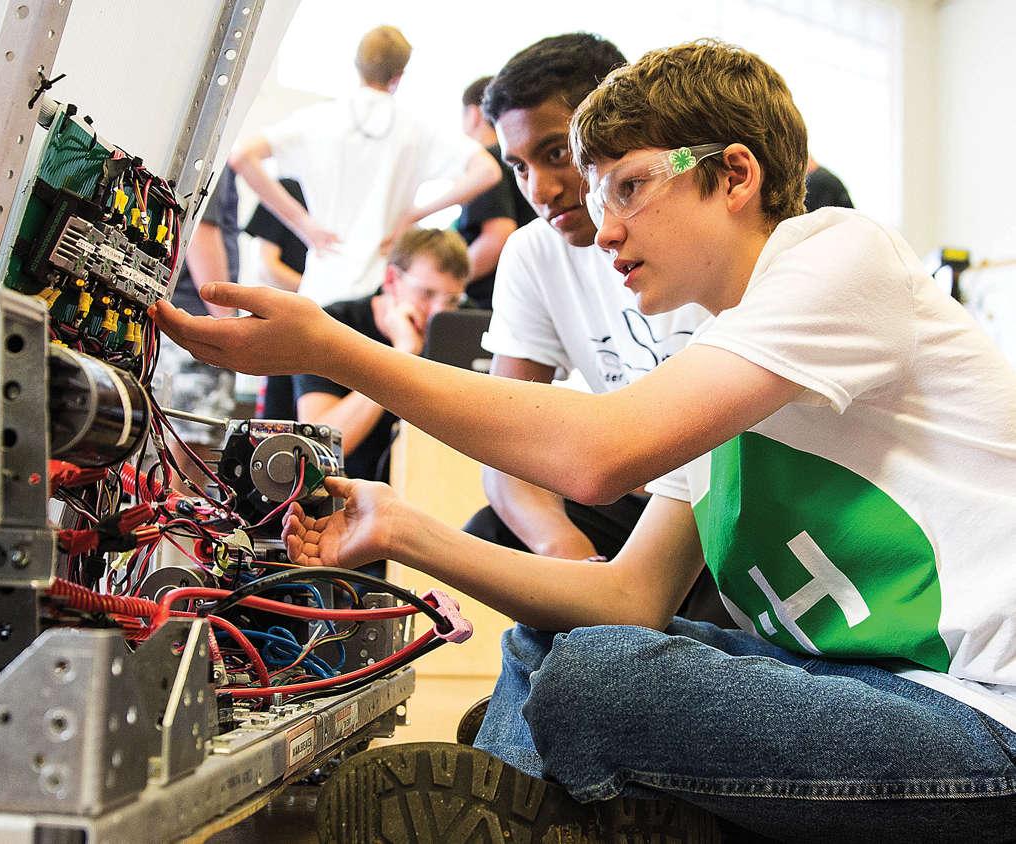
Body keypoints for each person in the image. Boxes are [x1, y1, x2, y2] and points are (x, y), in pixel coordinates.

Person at [154, 39, 1016, 843]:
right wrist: (400, 526)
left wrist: (335, 350)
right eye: (598, 197)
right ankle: (553, 805)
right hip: (862, 698)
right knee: (552, 638)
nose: (603, 230)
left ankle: (574, 803)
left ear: (735, 176)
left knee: (595, 681)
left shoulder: (843, 255)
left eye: (629, 189)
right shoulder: (716, 370)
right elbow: (627, 598)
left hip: (983, 719)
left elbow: (595, 459)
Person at [467, 35, 713, 594]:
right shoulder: (533, 253)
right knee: (495, 533)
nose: (541, 189)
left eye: (556, 154)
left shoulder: (697, 225)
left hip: (720, 504)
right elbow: (506, 443)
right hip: (638, 501)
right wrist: (561, 548)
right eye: (518, 166)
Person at [228, 25, 500, 307]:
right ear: (400, 76)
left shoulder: (317, 120)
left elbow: (242, 156)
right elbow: (487, 170)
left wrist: (302, 223)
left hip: (321, 287)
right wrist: (414, 215)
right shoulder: (417, 128)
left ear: (356, 65)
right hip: (379, 294)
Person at [294, 228, 469, 484]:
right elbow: (320, 446)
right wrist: (400, 357)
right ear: (390, 280)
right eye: (427, 294)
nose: (438, 312)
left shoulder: (460, 326)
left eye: (452, 300)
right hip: (337, 496)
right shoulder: (332, 326)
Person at [153, 166, 239, 490]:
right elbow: (201, 229)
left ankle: (170, 535)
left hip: (183, 319)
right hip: (199, 321)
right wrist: (227, 323)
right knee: (189, 450)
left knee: (185, 449)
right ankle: (172, 538)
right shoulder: (214, 153)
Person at [456, 75, 537, 309]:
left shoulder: (487, 161)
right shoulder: (515, 159)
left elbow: (497, 237)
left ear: (473, 115)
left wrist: (449, 281)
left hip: (489, 302)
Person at [244, 178, 309, 421]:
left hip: (338, 327)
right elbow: (266, 266)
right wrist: (317, 293)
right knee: (276, 423)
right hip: (288, 327)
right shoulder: (288, 189)